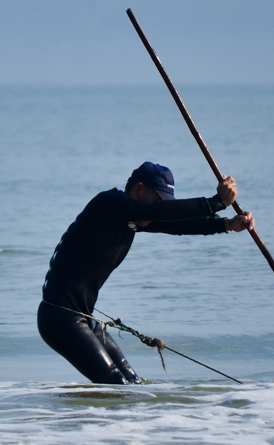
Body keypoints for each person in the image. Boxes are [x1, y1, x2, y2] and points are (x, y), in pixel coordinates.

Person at [38, 161, 254, 384]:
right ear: (138, 190)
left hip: (83, 319)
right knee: (116, 384)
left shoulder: (130, 219)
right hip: (60, 318)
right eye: (157, 202)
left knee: (132, 382)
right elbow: (156, 212)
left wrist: (226, 224)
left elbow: (179, 225)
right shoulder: (109, 205)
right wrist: (216, 202)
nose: (158, 213)